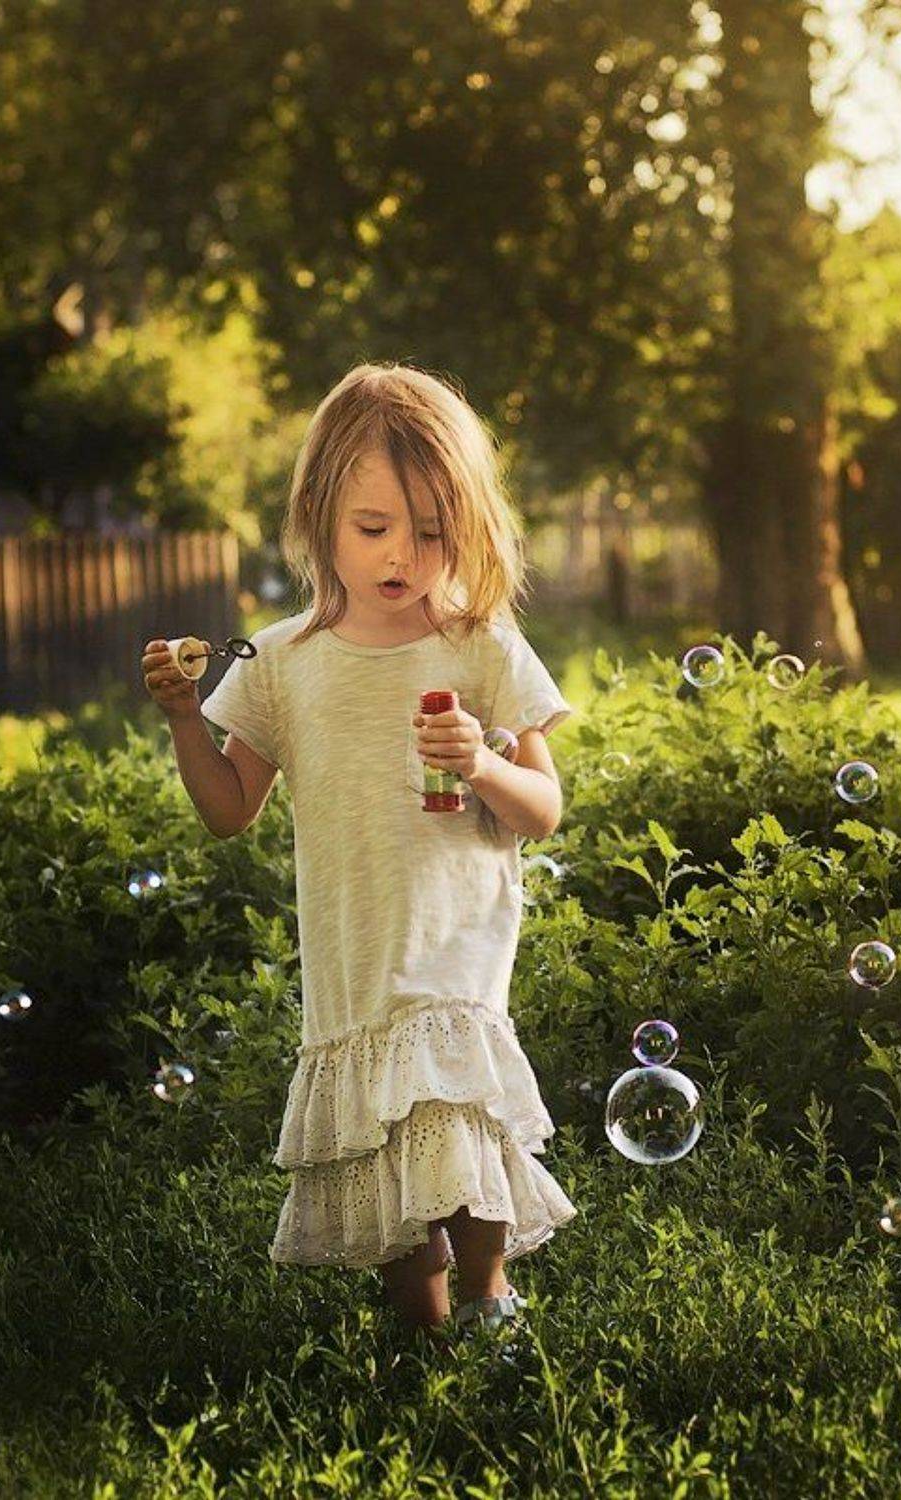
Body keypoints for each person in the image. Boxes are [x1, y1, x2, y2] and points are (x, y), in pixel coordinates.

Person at [139, 361, 578, 1343]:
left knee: (451, 1108)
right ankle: (421, 1338)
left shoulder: (481, 646)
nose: (402, 556)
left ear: (463, 528)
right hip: (352, 948)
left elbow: (543, 808)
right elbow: (228, 810)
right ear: (318, 516)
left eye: (431, 533)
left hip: (453, 940)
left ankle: (490, 1300)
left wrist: (482, 764)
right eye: (373, 528)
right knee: (378, 1133)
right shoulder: (284, 661)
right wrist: (182, 722)